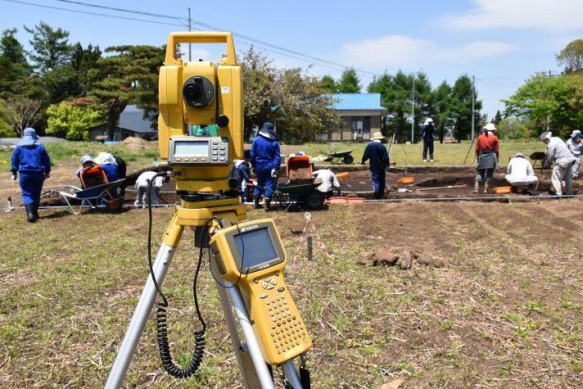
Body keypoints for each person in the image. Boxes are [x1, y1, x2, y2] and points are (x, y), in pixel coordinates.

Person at [10, 127, 51, 222]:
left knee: (27, 193)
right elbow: (46, 160)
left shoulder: (19, 147)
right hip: (38, 174)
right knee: (36, 193)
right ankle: (35, 213)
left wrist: (14, 172)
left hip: (25, 174)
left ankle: (30, 213)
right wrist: (47, 171)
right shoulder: (40, 146)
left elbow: (14, 160)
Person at [251, 122, 281, 210]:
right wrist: (275, 167)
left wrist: (253, 165)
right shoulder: (275, 142)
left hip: (259, 166)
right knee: (269, 184)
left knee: (259, 183)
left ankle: (256, 203)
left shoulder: (256, 140)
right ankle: (267, 206)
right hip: (270, 166)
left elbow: (252, 154)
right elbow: (277, 157)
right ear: (271, 130)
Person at [540, 131, 576, 196]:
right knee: (568, 179)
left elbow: (550, 155)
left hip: (562, 161)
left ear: (546, 139)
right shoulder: (557, 139)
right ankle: (568, 194)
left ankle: (558, 194)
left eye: (544, 141)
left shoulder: (551, 144)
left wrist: (547, 163)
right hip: (570, 160)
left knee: (555, 177)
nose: (544, 142)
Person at [361, 131, 390, 199]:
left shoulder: (370, 145)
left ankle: (376, 194)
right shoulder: (382, 146)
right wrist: (387, 164)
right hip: (381, 167)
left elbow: (366, 155)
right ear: (380, 138)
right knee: (381, 180)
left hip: (373, 166)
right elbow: (386, 157)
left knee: (375, 180)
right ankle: (381, 193)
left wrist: (363, 161)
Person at [474, 123, 500, 193]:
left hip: (482, 156)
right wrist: (497, 160)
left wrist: (477, 159)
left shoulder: (480, 137)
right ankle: (485, 189)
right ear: (492, 130)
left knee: (480, 172)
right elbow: (497, 151)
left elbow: (477, 149)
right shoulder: (495, 138)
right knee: (489, 173)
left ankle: (476, 188)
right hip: (491, 157)